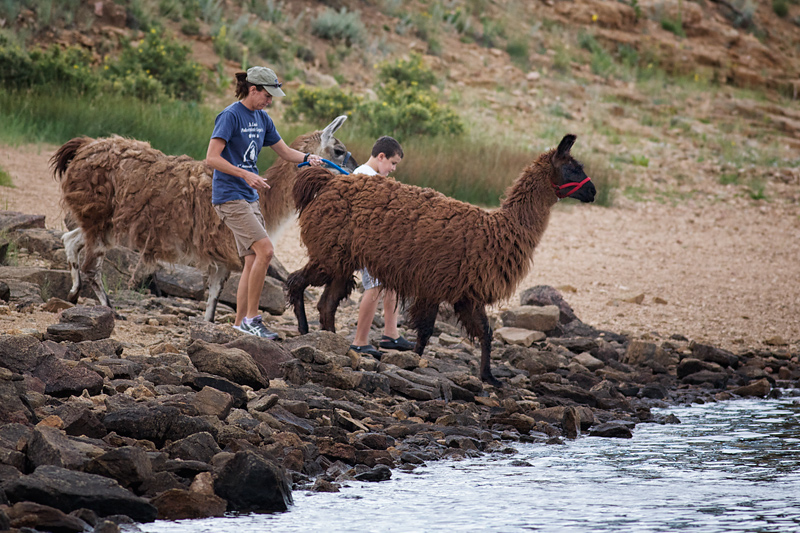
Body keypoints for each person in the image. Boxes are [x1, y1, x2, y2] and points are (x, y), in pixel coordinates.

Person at [206, 66, 322, 338]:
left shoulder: (263, 119)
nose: (270, 101)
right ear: (253, 89)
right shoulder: (230, 116)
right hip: (229, 196)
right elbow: (212, 158)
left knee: (251, 260)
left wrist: (306, 158)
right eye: (267, 95)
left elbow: (283, 151)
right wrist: (245, 174)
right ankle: (252, 319)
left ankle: (239, 325)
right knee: (266, 251)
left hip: (250, 198)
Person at [349, 136, 414, 358]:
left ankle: (390, 334)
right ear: (381, 157)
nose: (393, 169)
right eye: (393, 163)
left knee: (392, 283)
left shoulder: (375, 177)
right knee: (374, 287)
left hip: (382, 245)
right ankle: (359, 341)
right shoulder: (363, 177)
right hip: (368, 245)